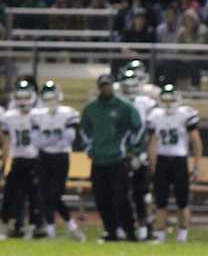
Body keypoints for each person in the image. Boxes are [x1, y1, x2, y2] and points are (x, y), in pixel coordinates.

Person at [81, 72, 143, 242]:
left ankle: (130, 231)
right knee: (102, 198)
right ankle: (111, 231)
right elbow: (84, 130)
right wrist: (89, 147)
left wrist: (133, 149)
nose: (106, 88)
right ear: (99, 88)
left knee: (122, 198)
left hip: (117, 159)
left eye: (108, 85)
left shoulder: (124, 107)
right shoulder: (91, 108)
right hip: (98, 159)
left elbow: (138, 127)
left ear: (113, 86)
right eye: (103, 86)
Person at [147, 83, 202, 244]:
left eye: (172, 100)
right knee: (160, 201)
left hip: (179, 160)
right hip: (162, 160)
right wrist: (153, 164)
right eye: (166, 100)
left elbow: (196, 141)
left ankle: (182, 235)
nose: (169, 103)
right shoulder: (156, 115)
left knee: (182, 200)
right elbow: (153, 142)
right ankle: (160, 235)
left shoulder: (185, 114)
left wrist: (196, 164)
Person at [33, 80, 84, 241]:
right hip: (43, 157)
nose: (51, 101)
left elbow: (69, 139)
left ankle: (71, 226)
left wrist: (48, 138)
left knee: (55, 196)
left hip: (61, 157)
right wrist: (57, 136)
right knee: (45, 195)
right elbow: (37, 142)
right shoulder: (37, 115)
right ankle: (52, 230)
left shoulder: (68, 112)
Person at [0, 80, 43, 238]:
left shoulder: (40, 115)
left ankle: (34, 226)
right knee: (11, 195)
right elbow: (6, 140)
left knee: (34, 196)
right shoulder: (9, 116)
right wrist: (5, 162)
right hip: (18, 160)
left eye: (26, 97)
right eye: (20, 97)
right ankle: (9, 225)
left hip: (34, 160)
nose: (23, 101)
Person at [118, 69, 156, 240]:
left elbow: (152, 131)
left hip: (142, 154)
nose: (131, 89)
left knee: (143, 194)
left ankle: (146, 226)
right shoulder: (116, 102)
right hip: (121, 154)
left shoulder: (147, 103)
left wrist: (144, 154)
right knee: (120, 192)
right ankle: (123, 226)